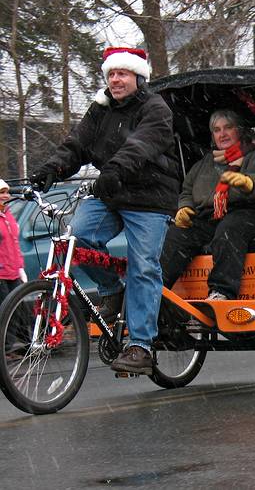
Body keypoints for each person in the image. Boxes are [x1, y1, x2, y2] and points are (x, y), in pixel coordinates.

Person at [29, 47, 180, 375]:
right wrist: (50, 170)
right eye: (111, 74)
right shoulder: (100, 111)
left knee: (143, 266)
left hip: (150, 198)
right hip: (112, 193)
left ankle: (141, 345)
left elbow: (140, 145)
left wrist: (113, 171)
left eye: (122, 73)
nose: (115, 80)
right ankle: (112, 291)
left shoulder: (155, 107)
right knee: (77, 238)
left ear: (138, 77)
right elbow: (76, 146)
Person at [160, 109, 255, 300]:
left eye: (228, 128)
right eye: (217, 129)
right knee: (176, 234)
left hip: (249, 213)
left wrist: (250, 183)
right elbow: (187, 190)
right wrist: (185, 207)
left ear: (240, 131)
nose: (223, 134)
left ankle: (222, 291)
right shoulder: (205, 163)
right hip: (208, 217)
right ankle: (156, 292)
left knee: (229, 228)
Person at [0, 179, 26, 303]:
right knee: (6, 316)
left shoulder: (8, 215)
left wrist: (20, 267)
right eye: (1, 192)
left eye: (7, 192)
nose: (5, 196)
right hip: (1, 276)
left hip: (13, 273)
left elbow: (15, 243)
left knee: (20, 314)